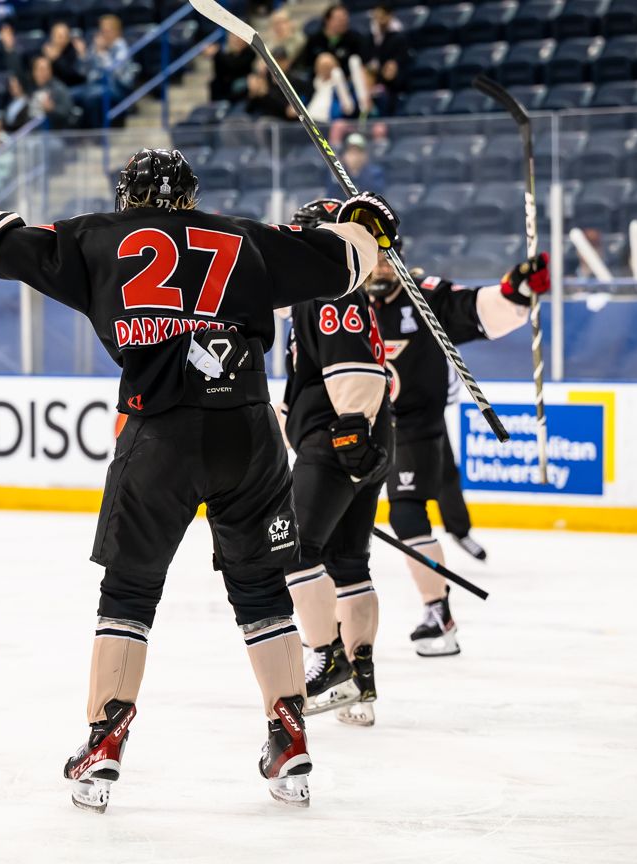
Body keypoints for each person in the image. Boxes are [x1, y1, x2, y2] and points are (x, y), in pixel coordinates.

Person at [0, 151, 385, 811]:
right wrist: (365, 227)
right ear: (189, 196)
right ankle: (288, 734)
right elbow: (341, 260)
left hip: (160, 434)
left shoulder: (95, 237)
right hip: (249, 434)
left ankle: (104, 741)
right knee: (263, 590)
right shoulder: (243, 237)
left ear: (129, 196)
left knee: (128, 592)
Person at [367, 241, 550, 656]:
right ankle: (329, 629)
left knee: (407, 513)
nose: (379, 267)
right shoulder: (342, 298)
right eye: (370, 256)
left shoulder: (425, 295)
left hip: (413, 428)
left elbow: (475, 308)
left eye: (385, 256)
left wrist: (515, 291)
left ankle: (438, 613)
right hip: (353, 427)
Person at [277, 198, 392, 727]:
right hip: (353, 436)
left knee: (296, 553)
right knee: (349, 565)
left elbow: (353, 365)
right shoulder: (322, 289)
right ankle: (361, 680)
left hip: (338, 440)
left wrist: (349, 432)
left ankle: (328, 659)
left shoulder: (329, 288)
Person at [438, 368, 487, 561]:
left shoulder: (430, 337)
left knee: (445, 471)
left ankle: (460, 532)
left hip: (422, 408)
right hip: (375, 405)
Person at [77, 15, 136, 128]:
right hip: (94, 85)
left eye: (107, 31)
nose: (103, 34)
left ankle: (98, 136)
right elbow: (83, 72)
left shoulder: (121, 47)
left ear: (117, 32)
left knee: (91, 97)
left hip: (118, 88)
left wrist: (102, 54)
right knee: (69, 95)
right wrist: (83, 56)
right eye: (102, 30)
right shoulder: (97, 46)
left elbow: (115, 73)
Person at [300, 4, 365, 71]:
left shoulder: (354, 38)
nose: (343, 22)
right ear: (327, 20)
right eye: (339, 20)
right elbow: (307, 64)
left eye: (345, 19)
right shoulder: (314, 40)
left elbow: (362, 63)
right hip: (318, 78)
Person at [206, 33, 255, 104]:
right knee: (215, 83)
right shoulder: (228, 55)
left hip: (240, 90)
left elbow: (235, 65)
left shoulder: (250, 53)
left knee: (240, 84)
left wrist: (217, 53)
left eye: (239, 38)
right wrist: (215, 56)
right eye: (233, 37)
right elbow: (219, 72)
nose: (236, 40)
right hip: (226, 90)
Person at [41, 21, 85, 87]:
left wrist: (57, 59)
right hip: (53, 88)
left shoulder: (73, 50)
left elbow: (74, 76)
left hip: (73, 86)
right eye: (59, 36)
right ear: (52, 37)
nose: (63, 39)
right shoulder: (46, 50)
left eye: (66, 36)